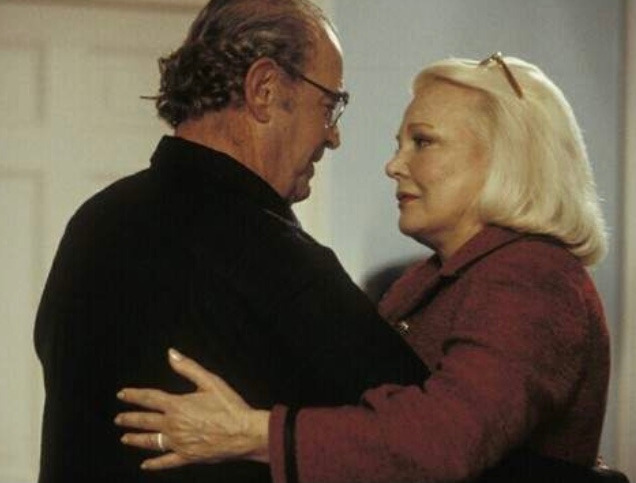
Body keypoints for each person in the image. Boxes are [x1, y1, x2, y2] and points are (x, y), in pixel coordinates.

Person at [116, 53, 616, 483]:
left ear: (508, 158)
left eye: (423, 142)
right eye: (400, 144)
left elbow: (448, 438)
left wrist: (250, 433)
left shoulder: (533, 278)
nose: (394, 165)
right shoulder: (431, 278)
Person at [33, 1, 431, 482]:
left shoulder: (94, 223)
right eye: (329, 107)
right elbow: (427, 439)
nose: (333, 137)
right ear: (264, 89)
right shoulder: (275, 258)